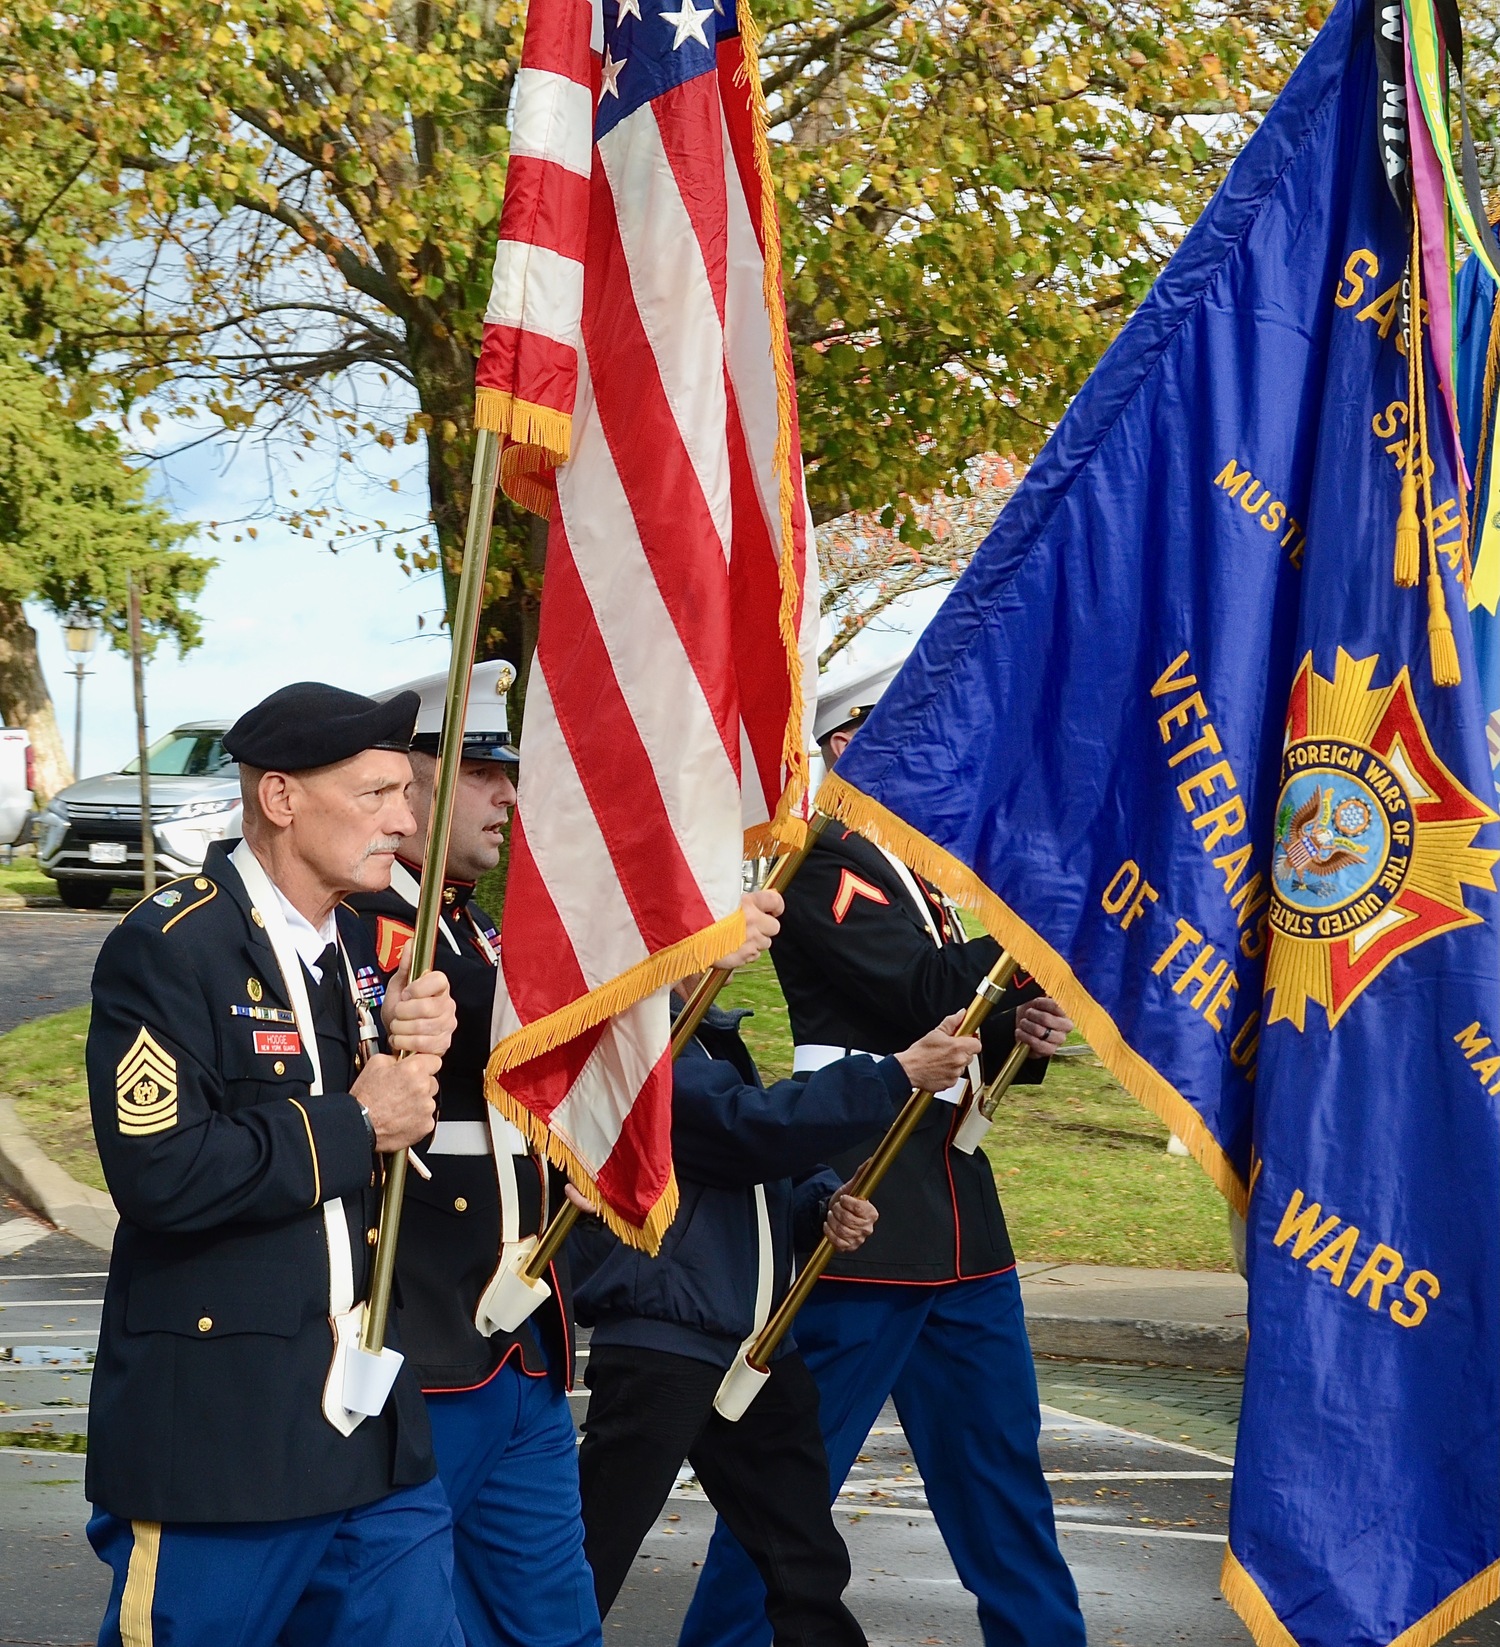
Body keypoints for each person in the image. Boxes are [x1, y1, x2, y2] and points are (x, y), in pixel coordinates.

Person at [679, 656, 1089, 1647]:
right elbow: (916, 990)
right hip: (859, 1185)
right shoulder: (821, 856)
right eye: (897, 737)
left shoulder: (916, 870)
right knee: (792, 1486)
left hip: (955, 1206)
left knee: (1001, 1479)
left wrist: (1018, 1031)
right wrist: (1060, 910)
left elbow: (959, 1012)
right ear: (841, 750)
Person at [84, 682, 462, 1647]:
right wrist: (356, 1119)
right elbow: (161, 1172)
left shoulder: (354, 954)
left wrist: (408, 1059)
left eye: (405, 794)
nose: (406, 818)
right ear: (282, 799)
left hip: (371, 1434)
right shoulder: (172, 946)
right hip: (226, 1439)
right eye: (377, 793)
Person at [573, 887, 984, 1645]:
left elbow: (754, 1168)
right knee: (586, 1562)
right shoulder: (638, 1030)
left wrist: (820, 1203)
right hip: (667, 1336)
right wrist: (896, 1074)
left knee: (805, 1565)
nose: (749, 932)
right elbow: (740, 1131)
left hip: (752, 1341)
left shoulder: (704, 1034)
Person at [352, 660, 602, 1647]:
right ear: (409, 779)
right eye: (487, 771)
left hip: (517, 1345)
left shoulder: (472, 928)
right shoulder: (373, 927)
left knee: (555, 1628)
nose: (511, 793)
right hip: (425, 1339)